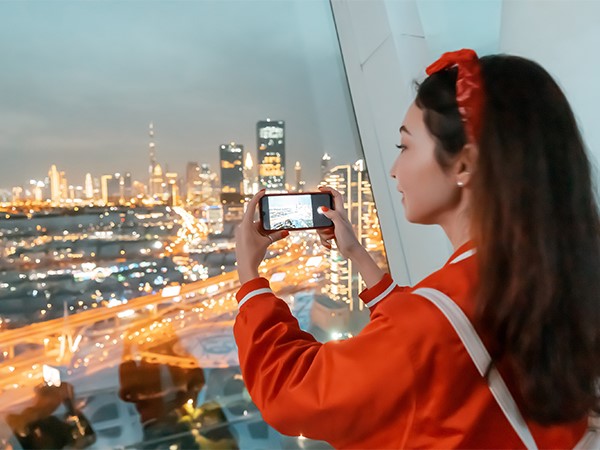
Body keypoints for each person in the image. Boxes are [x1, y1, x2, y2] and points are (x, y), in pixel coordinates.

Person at [233, 49, 600, 448]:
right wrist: (357, 255)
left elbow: (294, 394)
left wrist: (250, 279)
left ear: (463, 165)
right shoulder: (538, 269)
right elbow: (433, 336)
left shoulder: (440, 317)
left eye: (404, 147)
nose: (393, 170)